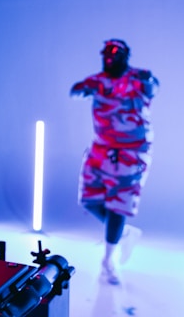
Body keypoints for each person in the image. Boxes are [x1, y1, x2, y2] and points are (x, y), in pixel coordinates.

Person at [69, 38, 159, 285]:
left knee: (118, 205)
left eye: (114, 55)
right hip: (101, 147)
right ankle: (123, 233)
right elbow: (76, 90)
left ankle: (110, 260)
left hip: (132, 152)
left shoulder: (139, 77)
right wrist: (83, 90)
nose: (109, 59)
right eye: (106, 55)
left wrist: (149, 83)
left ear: (125, 56)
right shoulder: (97, 81)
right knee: (88, 199)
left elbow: (153, 87)